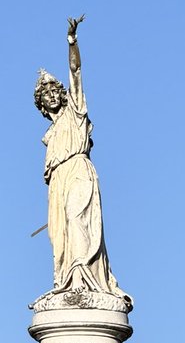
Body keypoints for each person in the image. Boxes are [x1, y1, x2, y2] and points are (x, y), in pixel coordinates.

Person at [34, 16, 126, 300]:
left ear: (61, 94)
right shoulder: (50, 135)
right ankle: (66, 278)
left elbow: (76, 72)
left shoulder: (76, 112)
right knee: (59, 235)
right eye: (44, 93)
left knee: (76, 218)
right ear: (40, 103)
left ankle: (82, 276)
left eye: (54, 90)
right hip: (58, 180)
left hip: (78, 170)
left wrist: (72, 42)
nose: (51, 95)